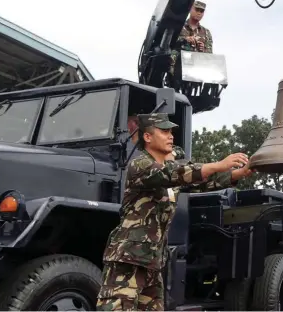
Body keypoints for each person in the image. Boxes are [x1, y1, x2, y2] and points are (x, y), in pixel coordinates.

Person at [96, 113, 253, 310]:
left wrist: (238, 173)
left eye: (171, 132)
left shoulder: (170, 175)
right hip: (128, 259)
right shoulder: (141, 165)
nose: (171, 136)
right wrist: (218, 165)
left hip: (153, 262)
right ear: (147, 137)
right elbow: (175, 173)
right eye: (164, 131)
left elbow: (198, 182)